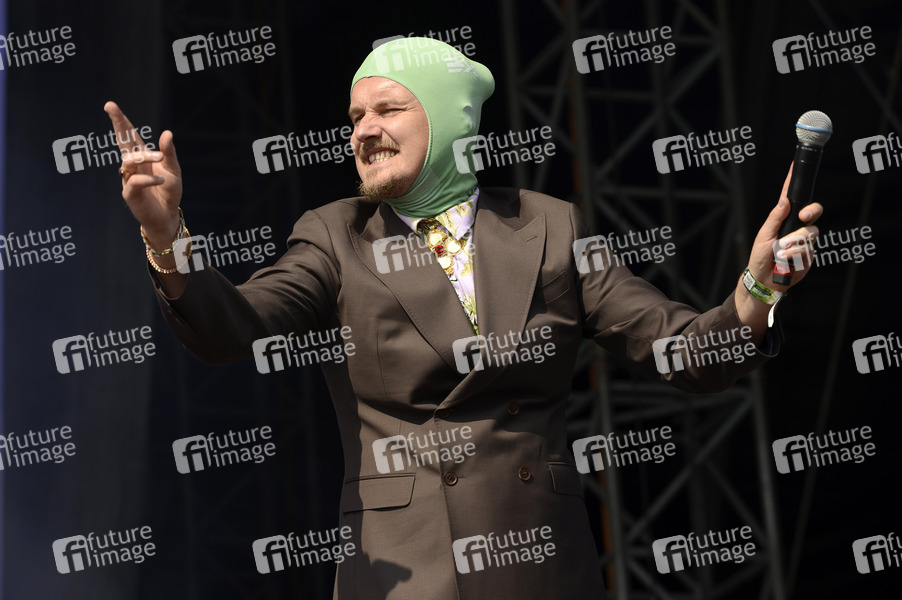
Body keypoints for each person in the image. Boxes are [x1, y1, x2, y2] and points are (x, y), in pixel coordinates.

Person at [105, 37, 819, 600]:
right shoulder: (335, 236)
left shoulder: (550, 226)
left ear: (452, 119)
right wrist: (168, 239)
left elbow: (682, 351)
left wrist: (756, 289)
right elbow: (237, 327)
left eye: (388, 110)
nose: (364, 131)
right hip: (405, 571)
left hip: (539, 564)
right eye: (355, 118)